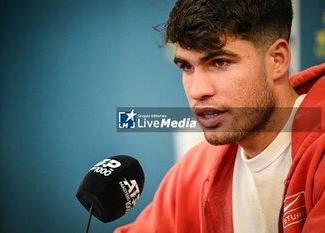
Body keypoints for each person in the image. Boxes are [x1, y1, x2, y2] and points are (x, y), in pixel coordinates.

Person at [115, 0, 325, 232]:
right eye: (187, 67)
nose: (197, 90)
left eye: (220, 62)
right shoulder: (194, 173)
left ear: (277, 59)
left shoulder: (319, 154)